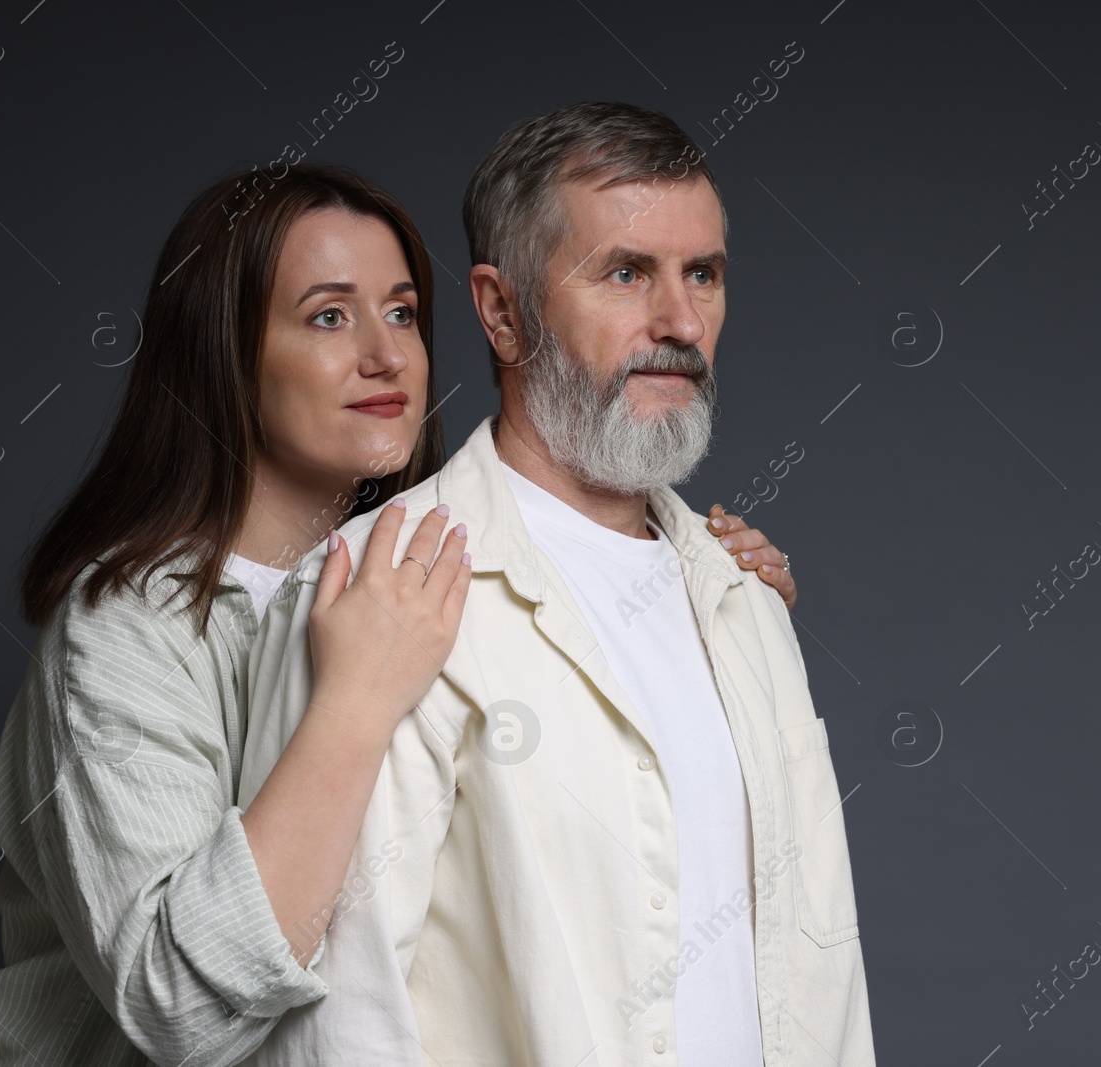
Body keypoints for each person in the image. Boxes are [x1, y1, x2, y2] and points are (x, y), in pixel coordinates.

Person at [0, 162, 794, 1067]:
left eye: (401, 313)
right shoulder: (123, 631)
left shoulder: (449, 568)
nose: (386, 355)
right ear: (223, 351)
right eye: (327, 316)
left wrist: (702, 603)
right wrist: (353, 703)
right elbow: (182, 1009)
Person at [239, 103, 874, 1067]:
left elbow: (822, 974)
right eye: (627, 272)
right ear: (501, 310)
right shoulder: (376, 587)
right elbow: (334, 1021)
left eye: (702, 274)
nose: (680, 322)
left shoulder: (743, 595)